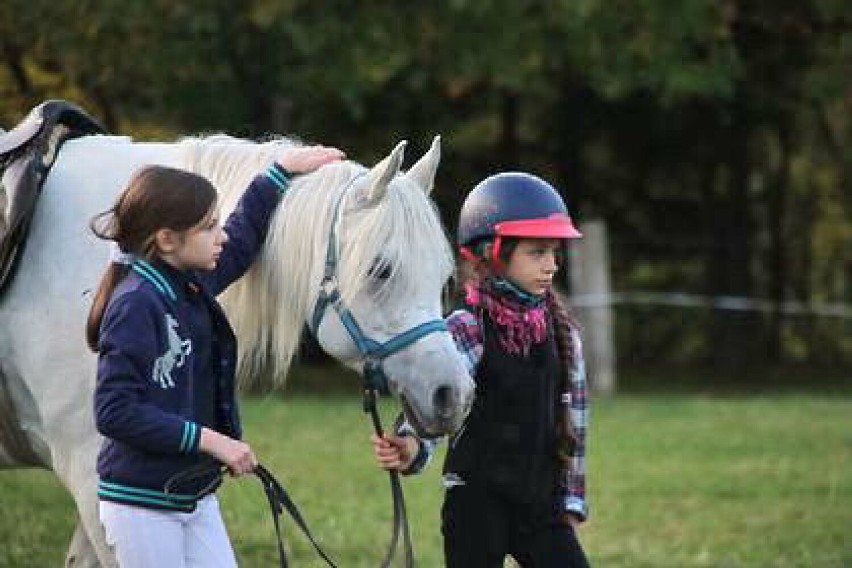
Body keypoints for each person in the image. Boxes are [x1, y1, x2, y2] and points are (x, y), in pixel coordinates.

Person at [87, 144, 344, 568]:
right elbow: (114, 411)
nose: (221, 235)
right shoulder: (136, 303)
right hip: (142, 504)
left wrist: (279, 172)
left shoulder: (190, 284)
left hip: (193, 495)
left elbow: (241, 241)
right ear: (167, 239)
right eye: (209, 227)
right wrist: (212, 440)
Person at [373, 171, 591, 567]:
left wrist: (572, 500)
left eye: (554, 252)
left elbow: (574, 424)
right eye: (537, 252)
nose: (552, 265)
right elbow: (438, 403)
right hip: (476, 504)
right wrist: (411, 446)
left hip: (542, 506)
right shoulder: (466, 327)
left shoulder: (564, 334)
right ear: (493, 252)